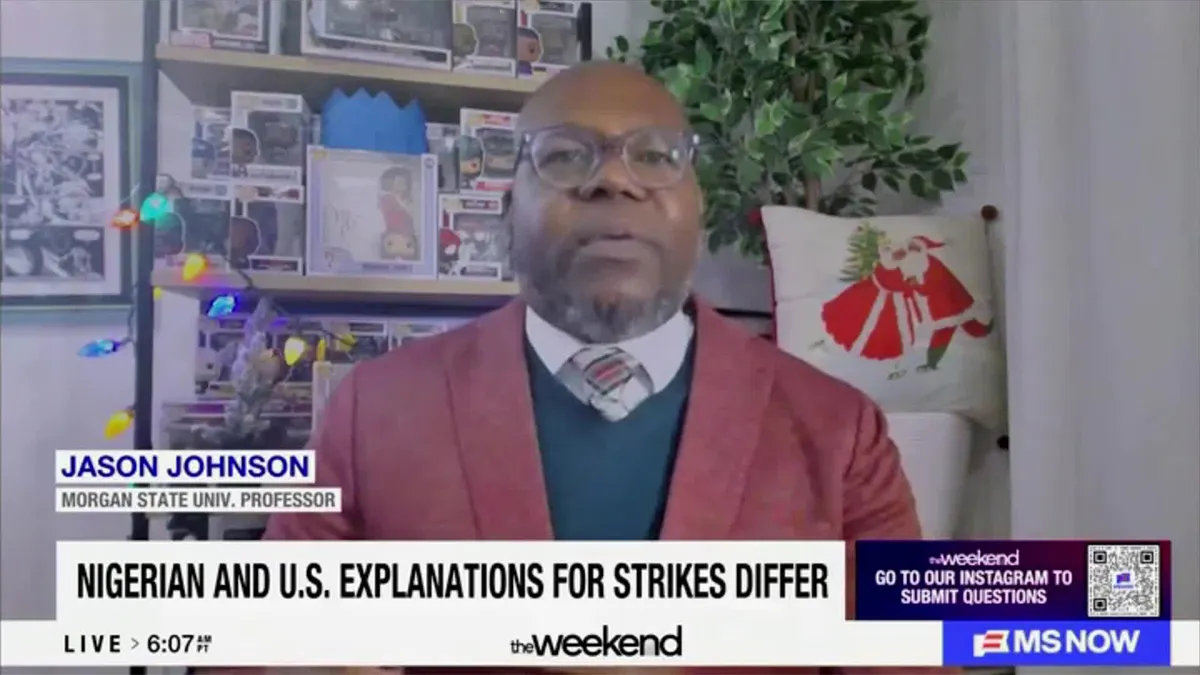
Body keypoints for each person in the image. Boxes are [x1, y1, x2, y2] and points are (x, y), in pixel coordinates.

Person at [203, 62, 957, 675]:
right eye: (565, 155)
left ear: (698, 206)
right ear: (507, 213)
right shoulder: (374, 410)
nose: (615, 180)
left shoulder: (839, 431)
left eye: (655, 156)